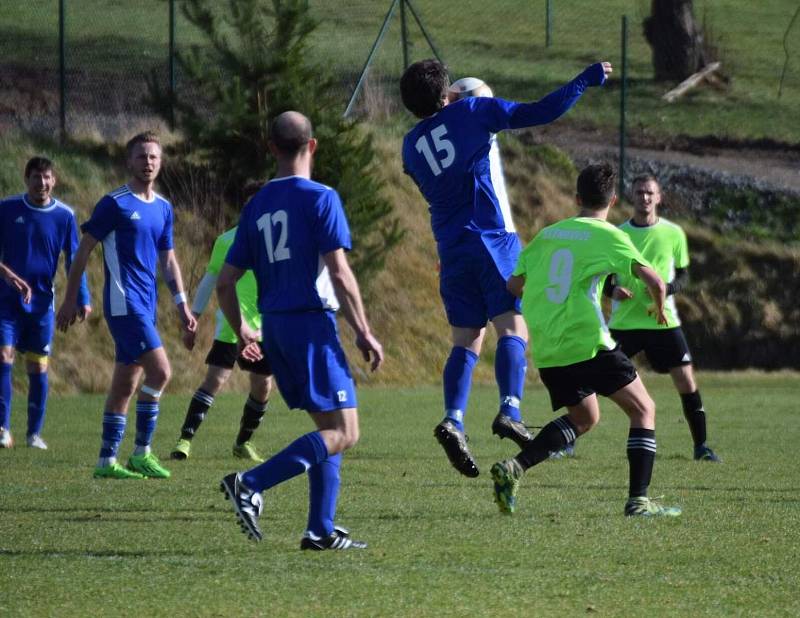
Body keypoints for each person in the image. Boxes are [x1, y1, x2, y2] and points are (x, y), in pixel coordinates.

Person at [400, 58, 612, 478]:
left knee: (465, 339)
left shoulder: (409, 146)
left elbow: (440, 153)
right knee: (513, 328)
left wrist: (451, 108)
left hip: (450, 247)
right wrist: (587, 78)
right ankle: (509, 409)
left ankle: (453, 419)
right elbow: (540, 110)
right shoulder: (473, 111)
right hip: (490, 240)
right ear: (446, 94)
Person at [217, 111, 383, 551]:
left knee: (329, 428)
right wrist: (364, 330)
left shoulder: (255, 206)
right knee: (346, 431)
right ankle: (250, 482)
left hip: (275, 328)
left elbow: (225, 282)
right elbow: (341, 274)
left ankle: (320, 531)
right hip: (311, 324)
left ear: (271, 148)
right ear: (313, 146)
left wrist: (243, 332)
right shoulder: (321, 198)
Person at [491, 163, 682, 518]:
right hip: (587, 342)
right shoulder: (609, 235)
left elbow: (514, 285)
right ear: (612, 200)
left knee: (584, 417)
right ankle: (638, 501)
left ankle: (514, 468)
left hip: (548, 348)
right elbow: (656, 282)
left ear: (577, 198)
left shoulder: (548, 235)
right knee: (644, 410)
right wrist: (659, 311)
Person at [56, 131, 196, 479]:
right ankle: (141, 453)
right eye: (141, 156)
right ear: (128, 161)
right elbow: (82, 250)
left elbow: (168, 261)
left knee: (125, 384)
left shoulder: (163, 208)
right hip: (124, 303)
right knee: (161, 372)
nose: (147, 162)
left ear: (160, 163)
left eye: (153, 157)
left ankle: (106, 461)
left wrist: (182, 306)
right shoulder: (114, 203)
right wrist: (71, 297)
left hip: (146, 305)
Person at [604, 174, 720, 462]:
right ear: (632, 196)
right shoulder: (617, 234)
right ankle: (567, 442)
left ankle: (701, 447)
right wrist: (611, 289)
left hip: (663, 321)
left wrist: (668, 289)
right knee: (594, 379)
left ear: (659, 197)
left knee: (686, 382)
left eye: (649, 193)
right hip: (624, 323)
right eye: (640, 192)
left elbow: (683, 274)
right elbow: (601, 274)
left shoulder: (673, 233)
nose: (644, 197)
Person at [0, 157, 92, 450]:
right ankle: (2, 429)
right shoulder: (6, 209)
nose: (42, 183)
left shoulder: (64, 215)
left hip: (42, 305)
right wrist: (8, 275)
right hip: (5, 302)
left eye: (47, 177)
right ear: (26, 179)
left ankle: (33, 434)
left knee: (38, 367)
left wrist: (82, 297)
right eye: (36, 177)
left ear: (54, 181)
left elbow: (74, 259)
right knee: (3, 358)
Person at [171, 219, 273, 463]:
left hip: (264, 328)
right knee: (215, 379)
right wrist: (193, 317)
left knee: (263, 386)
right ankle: (184, 440)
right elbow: (211, 279)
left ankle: (242, 443)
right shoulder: (227, 240)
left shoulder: (275, 240)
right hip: (232, 322)